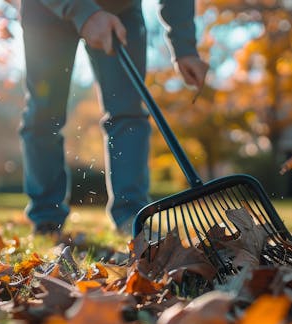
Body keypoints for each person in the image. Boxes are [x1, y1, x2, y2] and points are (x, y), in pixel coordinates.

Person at [18, 0, 209, 236]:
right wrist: (83, 12)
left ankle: (131, 216)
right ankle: (46, 219)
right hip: (48, 11)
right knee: (44, 114)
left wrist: (185, 46)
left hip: (120, 9)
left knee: (128, 112)